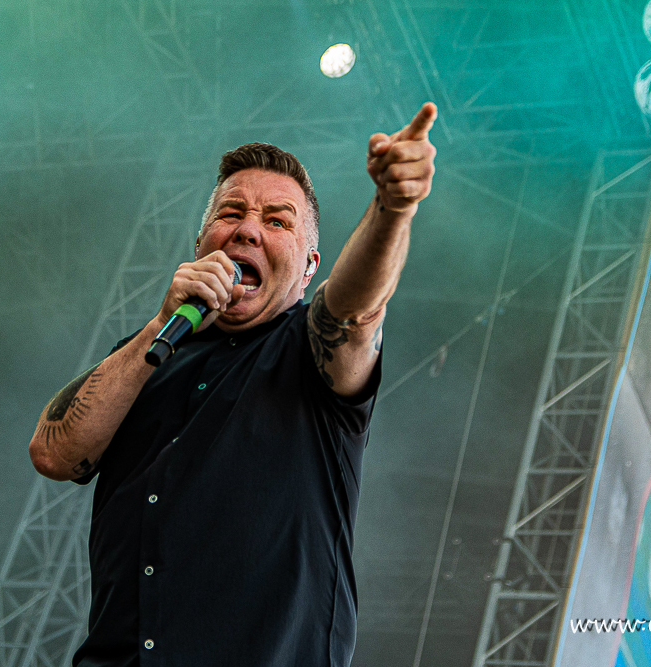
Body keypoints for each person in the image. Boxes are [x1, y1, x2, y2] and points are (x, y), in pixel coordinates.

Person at [28, 102, 438, 667]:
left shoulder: (308, 347)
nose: (247, 229)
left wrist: (392, 209)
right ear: (201, 244)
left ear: (309, 267)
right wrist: (159, 322)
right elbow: (55, 453)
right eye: (231, 213)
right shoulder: (151, 352)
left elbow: (355, 307)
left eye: (277, 221)